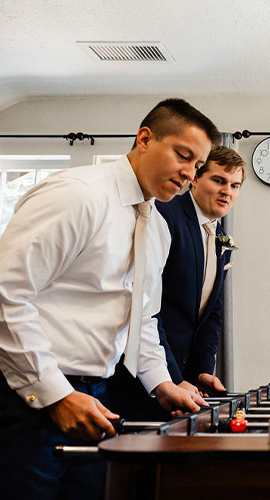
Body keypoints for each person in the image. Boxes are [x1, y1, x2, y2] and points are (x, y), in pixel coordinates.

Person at [0, 97, 220, 499]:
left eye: (197, 166)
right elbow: (1, 294)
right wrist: (55, 393)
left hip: (97, 399)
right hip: (23, 396)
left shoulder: (158, 228)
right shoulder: (78, 195)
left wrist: (162, 382)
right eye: (183, 155)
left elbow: (141, 319)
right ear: (145, 138)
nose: (189, 175)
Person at [109, 145, 245, 420]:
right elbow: (147, 308)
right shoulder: (164, 217)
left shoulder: (221, 236)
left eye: (235, 185)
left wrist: (202, 371)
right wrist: (170, 377)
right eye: (218, 180)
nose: (227, 191)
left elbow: (212, 314)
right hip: (143, 377)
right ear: (195, 178)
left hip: (184, 382)